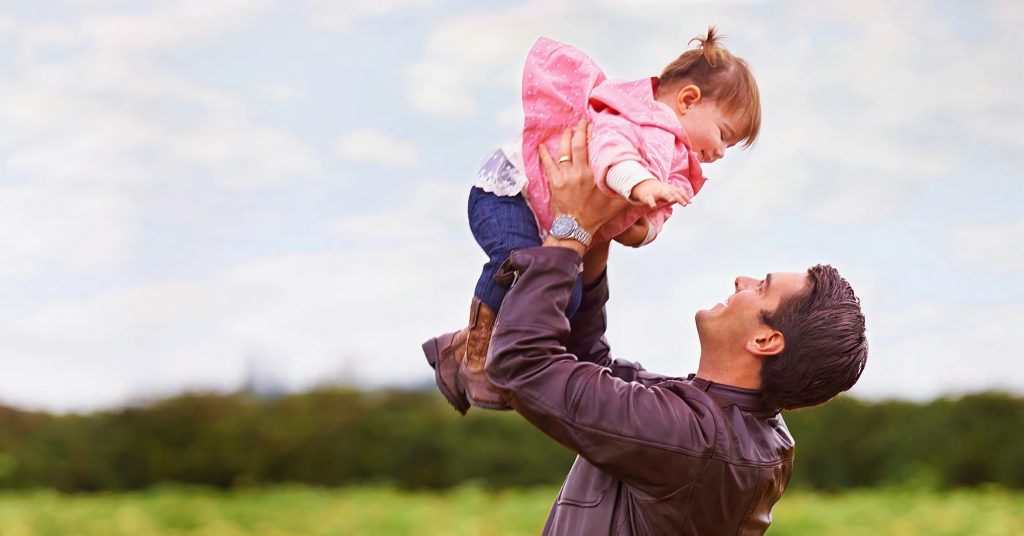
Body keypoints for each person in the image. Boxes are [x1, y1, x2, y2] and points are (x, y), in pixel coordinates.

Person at [486, 123, 867, 534]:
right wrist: (599, 237)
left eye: (761, 287)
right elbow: (590, 366)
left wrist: (570, 228)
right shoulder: (730, 427)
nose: (742, 280)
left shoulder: (692, 441)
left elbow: (521, 365)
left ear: (766, 340)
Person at [424, 27, 761, 413]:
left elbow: (655, 218)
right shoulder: (637, 120)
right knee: (513, 259)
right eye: (723, 135)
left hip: (555, 218)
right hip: (512, 191)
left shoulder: (680, 163)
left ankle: (458, 347)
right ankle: (476, 358)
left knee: (567, 298)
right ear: (687, 100)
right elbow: (611, 155)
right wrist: (641, 185)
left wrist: (643, 230)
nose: (720, 152)